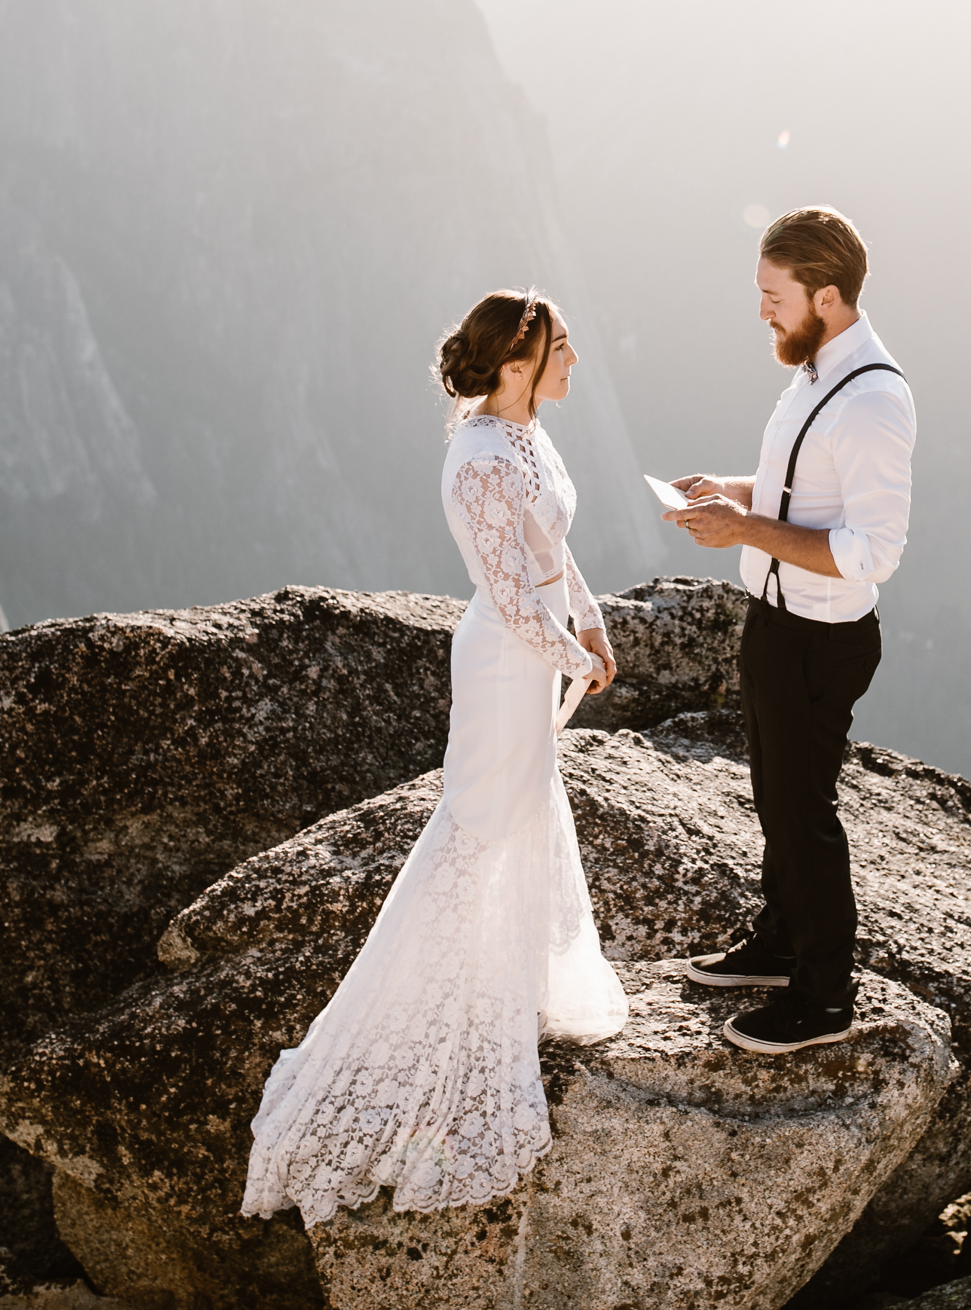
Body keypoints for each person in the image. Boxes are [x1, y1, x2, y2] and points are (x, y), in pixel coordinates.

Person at [241, 288, 628, 1224]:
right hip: (505, 665)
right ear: (513, 366)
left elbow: (550, 550)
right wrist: (570, 653)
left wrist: (592, 620)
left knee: (525, 813)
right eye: (562, 347)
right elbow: (505, 592)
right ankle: (430, 1012)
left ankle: (510, 979)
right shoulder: (479, 459)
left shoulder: (527, 432)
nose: (576, 358)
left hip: (535, 655)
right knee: (477, 828)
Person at [666, 207, 915, 1053]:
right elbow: (803, 488)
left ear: (830, 295)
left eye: (775, 295)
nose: (763, 311)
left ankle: (823, 996)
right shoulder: (812, 368)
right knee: (773, 793)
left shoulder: (874, 398)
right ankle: (778, 941)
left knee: (803, 811)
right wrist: (733, 492)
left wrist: (743, 531)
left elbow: (872, 551)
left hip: (819, 638)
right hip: (776, 622)